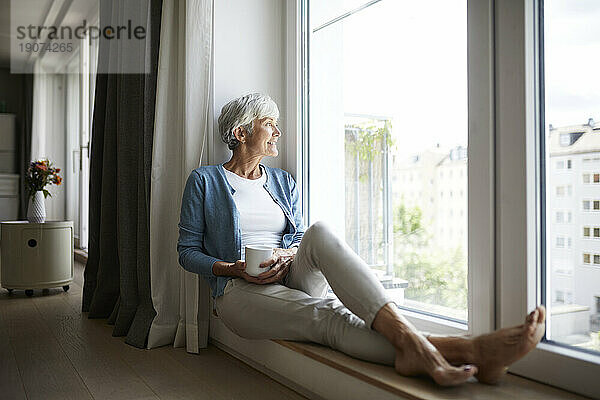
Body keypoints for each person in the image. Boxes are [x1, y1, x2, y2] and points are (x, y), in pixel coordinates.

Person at [177, 93, 546, 386]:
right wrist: (235, 269)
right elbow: (187, 251)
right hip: (237, 293)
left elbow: (300, 235)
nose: (277, 132)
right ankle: (471, 350)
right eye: (269, 124)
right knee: (329, 315)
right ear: (241, 133)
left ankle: (440, 350)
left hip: (287, 274)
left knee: (320, 232)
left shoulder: (282, 181)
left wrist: (289, 254)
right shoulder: (205, 181)